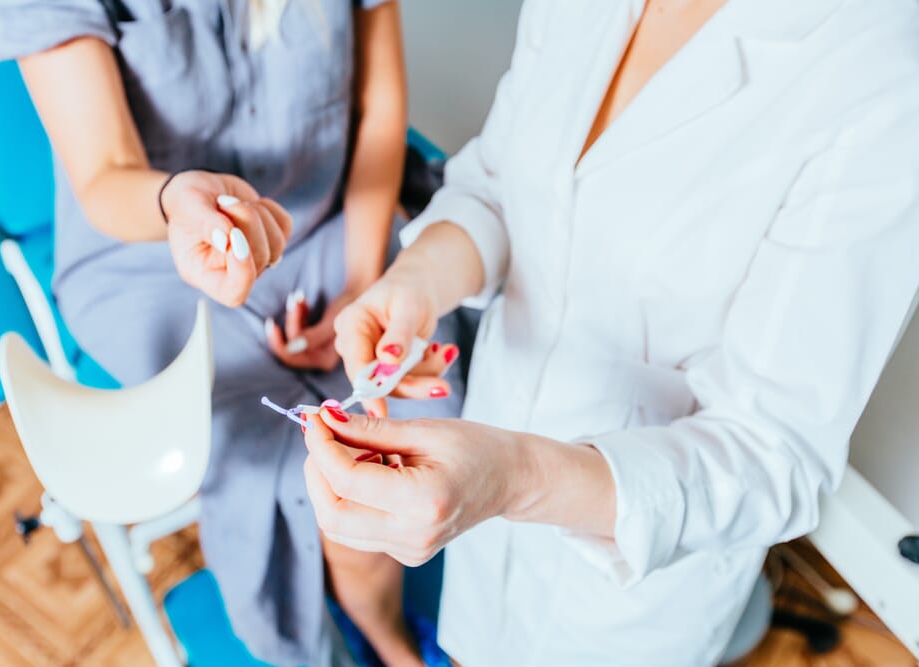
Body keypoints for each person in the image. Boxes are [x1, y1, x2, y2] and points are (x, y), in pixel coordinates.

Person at [300, 0, 919, 665]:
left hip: (632, 589)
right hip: (492, 496)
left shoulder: (879, 72)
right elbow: (501, 182)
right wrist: (417, 280)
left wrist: (514, 477)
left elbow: (773, 454)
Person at [0, 0, 463, 665]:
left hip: (331, 219)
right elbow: (106, 171)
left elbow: (377, 108)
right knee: (279, 466)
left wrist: (357, 284)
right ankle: (353, 632)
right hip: (149, 254)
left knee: (396, 427)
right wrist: (176, 204)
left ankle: (386, 630)